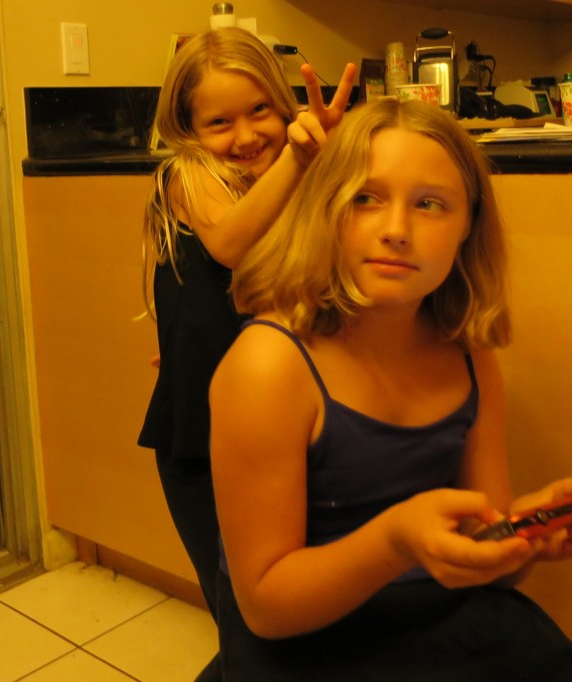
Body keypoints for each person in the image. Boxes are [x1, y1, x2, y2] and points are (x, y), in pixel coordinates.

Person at [209, 97, 572, 681]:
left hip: (444, 618)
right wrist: (396, 543)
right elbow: (265, 606)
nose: (396, 231)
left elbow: (485, 557)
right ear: (324, 209)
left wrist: (522, 536)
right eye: (365, 198)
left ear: (467, 226)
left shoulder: (468, 354)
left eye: (430, 204)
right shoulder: (270, 365)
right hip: (308, 645)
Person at [137, 27, 355, 680]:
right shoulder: (187, 174)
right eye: (219, 122)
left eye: (260, 110)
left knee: (284, 620)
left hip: (278, 430)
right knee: (246, 622)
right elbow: (229, 243)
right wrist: (298, 156)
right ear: (187, 129)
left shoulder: (301, 185)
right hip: (200, 442)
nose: (246, 134)